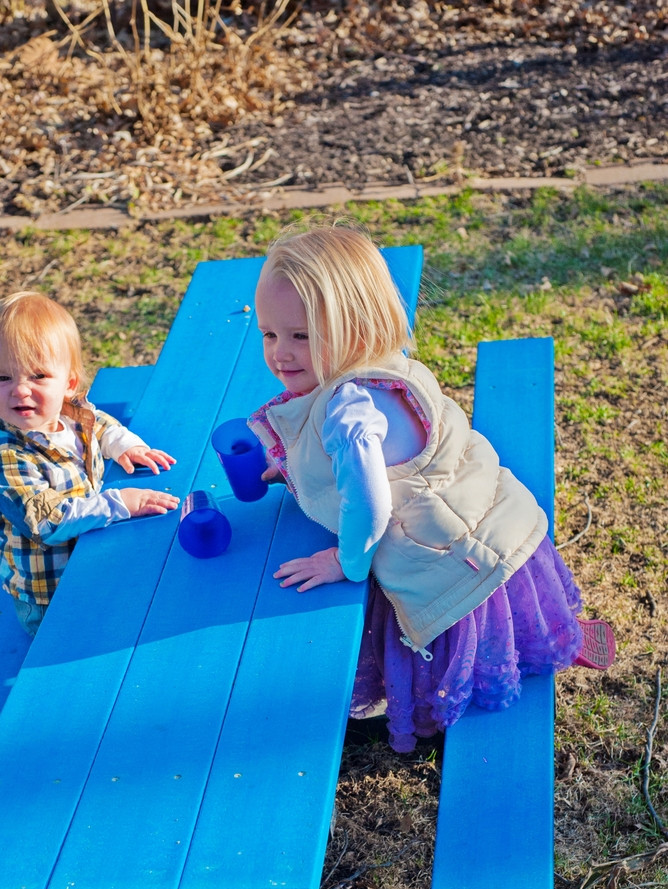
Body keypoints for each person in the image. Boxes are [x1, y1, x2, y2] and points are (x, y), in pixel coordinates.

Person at [248, 224, 615, 753]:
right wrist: (293, 468)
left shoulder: (349, 413)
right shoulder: (386, 364)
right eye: (269, 334)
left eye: (301, 336)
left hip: (453, 576)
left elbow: (370, 507)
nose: (280, 353)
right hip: (499, 527)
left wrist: (345, 563)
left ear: (356, 324)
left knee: (407, 620)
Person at [0, 291, 179, 636]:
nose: (21, 391)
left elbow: (97, 422)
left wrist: (123, 444)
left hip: (89, 549)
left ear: (68, 383)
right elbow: (47, 520)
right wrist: (119, 503)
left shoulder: (67, 411)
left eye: (38, 376)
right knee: (85, 645)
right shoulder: (5, 457)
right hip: (49, 592)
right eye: (3, 378)